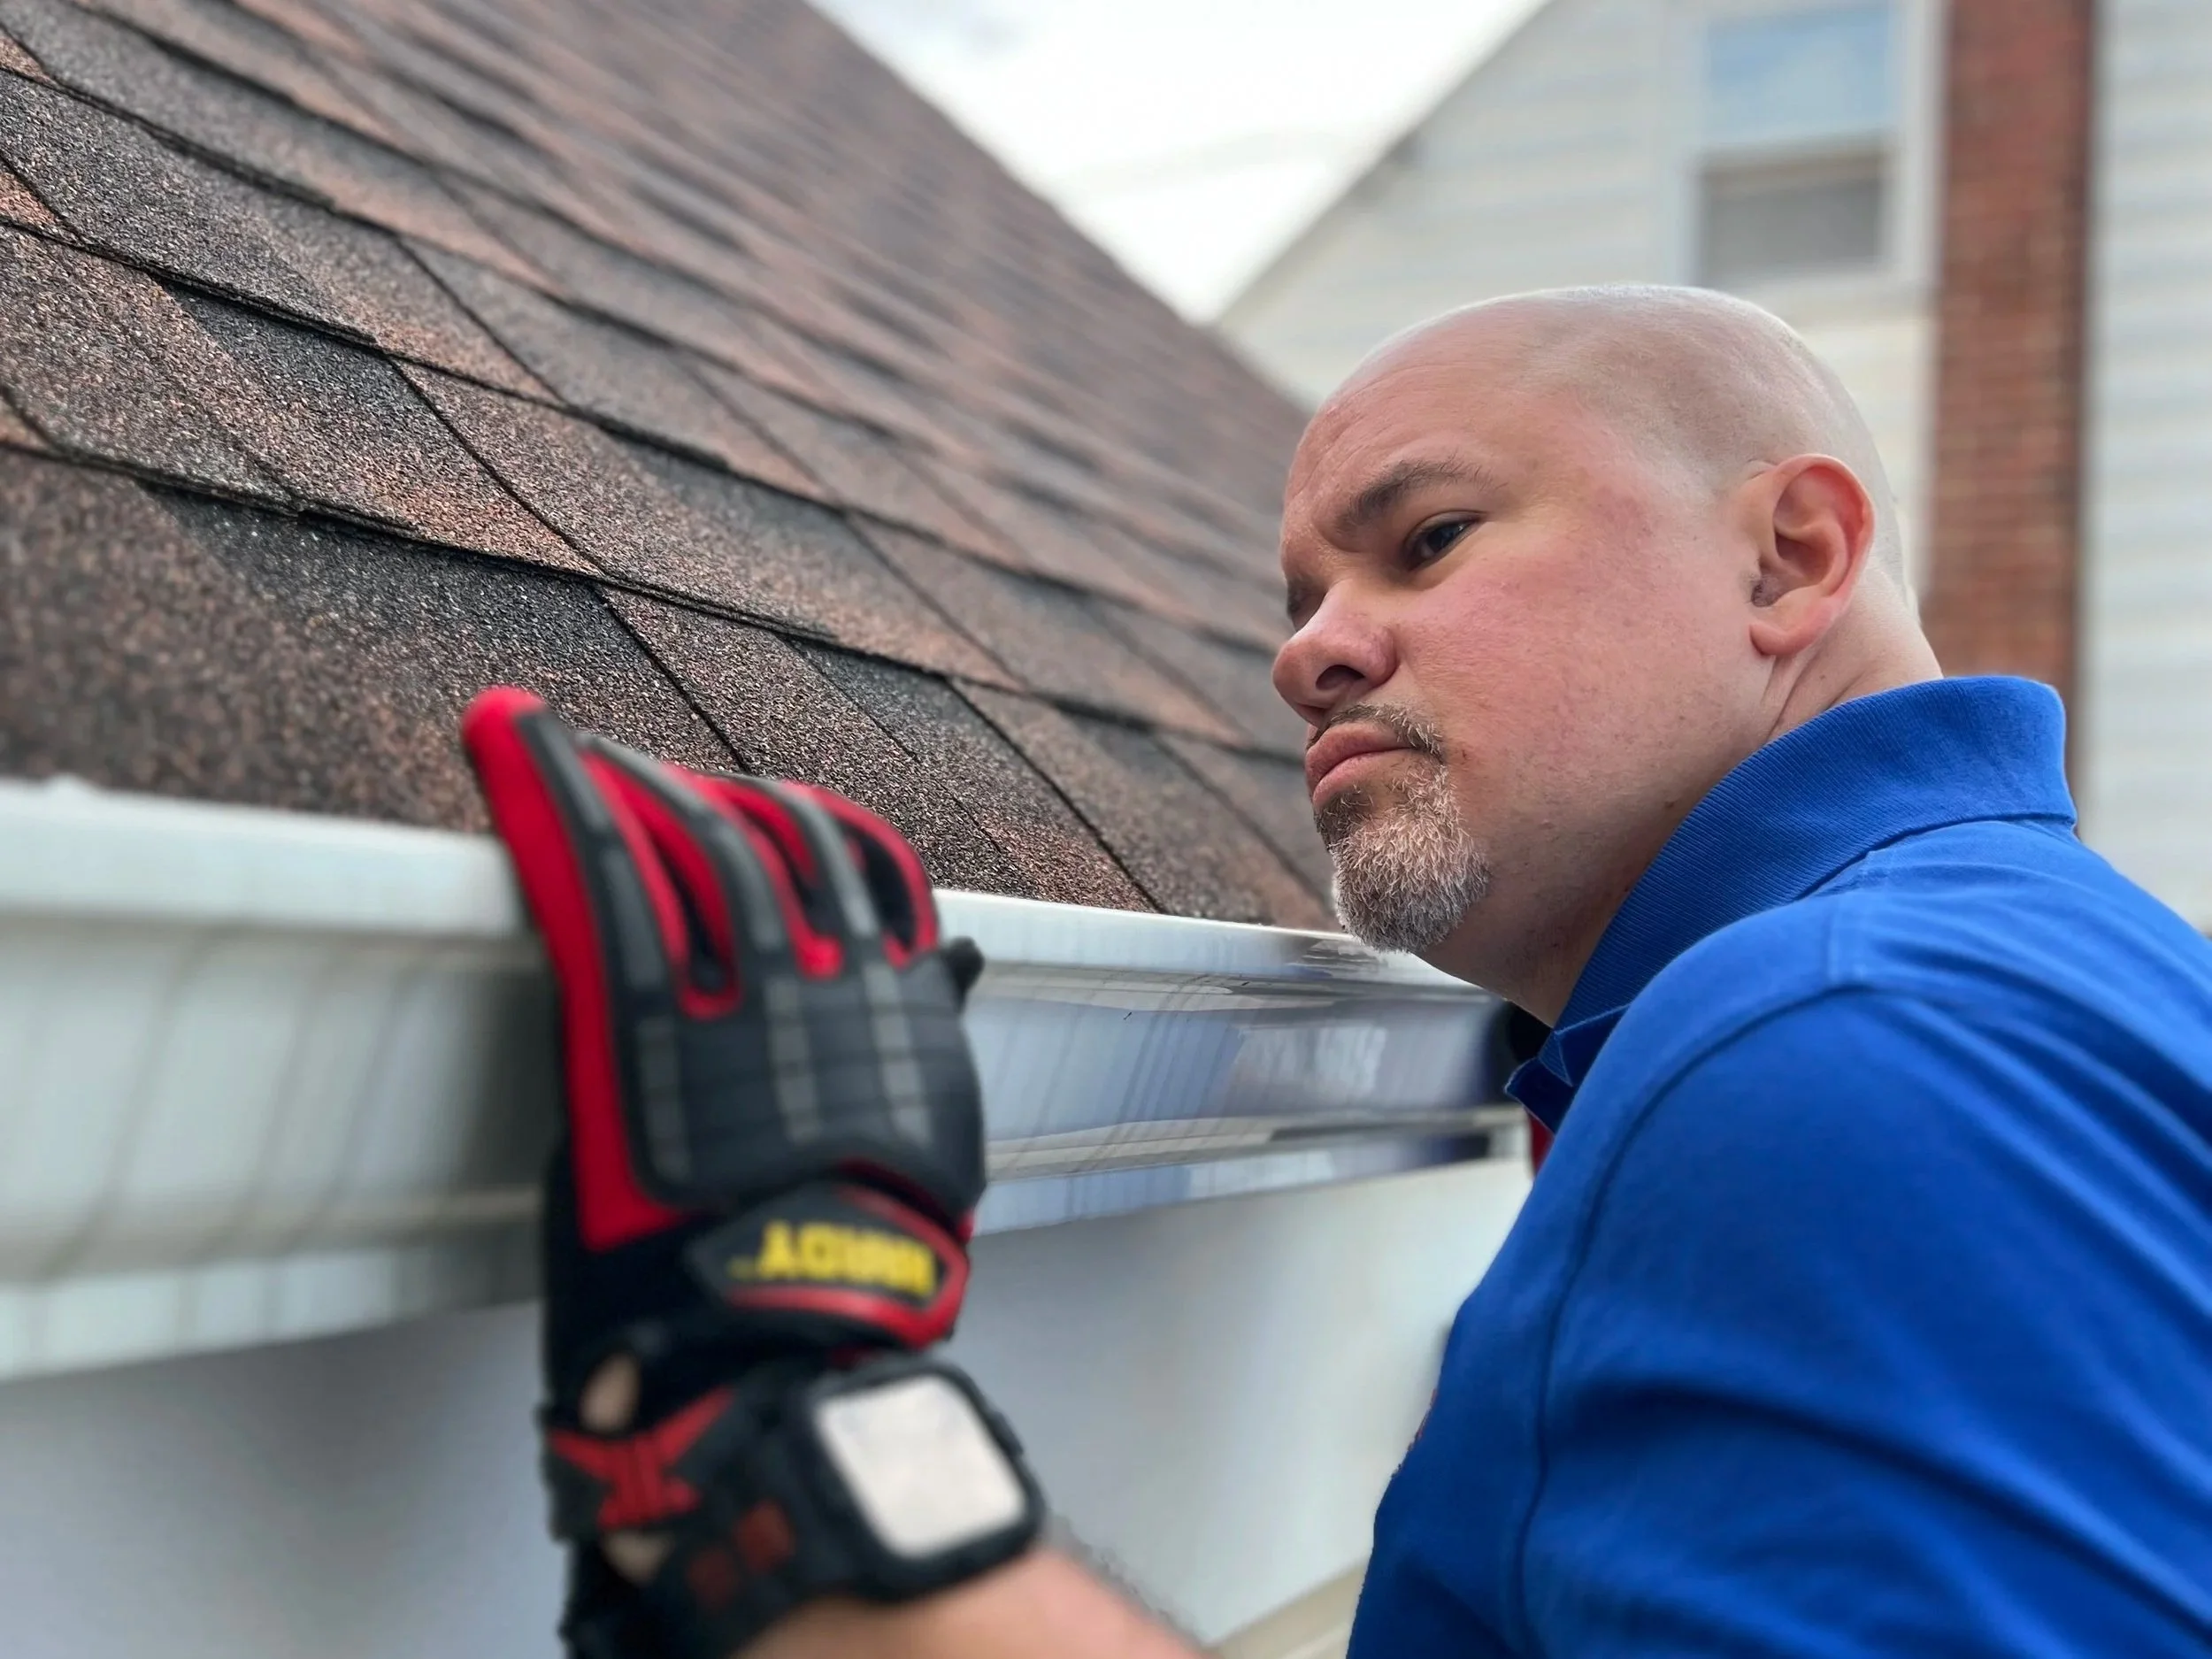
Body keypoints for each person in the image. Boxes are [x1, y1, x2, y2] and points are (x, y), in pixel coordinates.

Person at [467, 285, 2212, 1659]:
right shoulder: (2002, 974)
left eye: (1427, 536)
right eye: (1302, 595)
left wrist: (785, 1449)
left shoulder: (1833, 1054)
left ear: (1789, 556)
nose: (1305, 651)